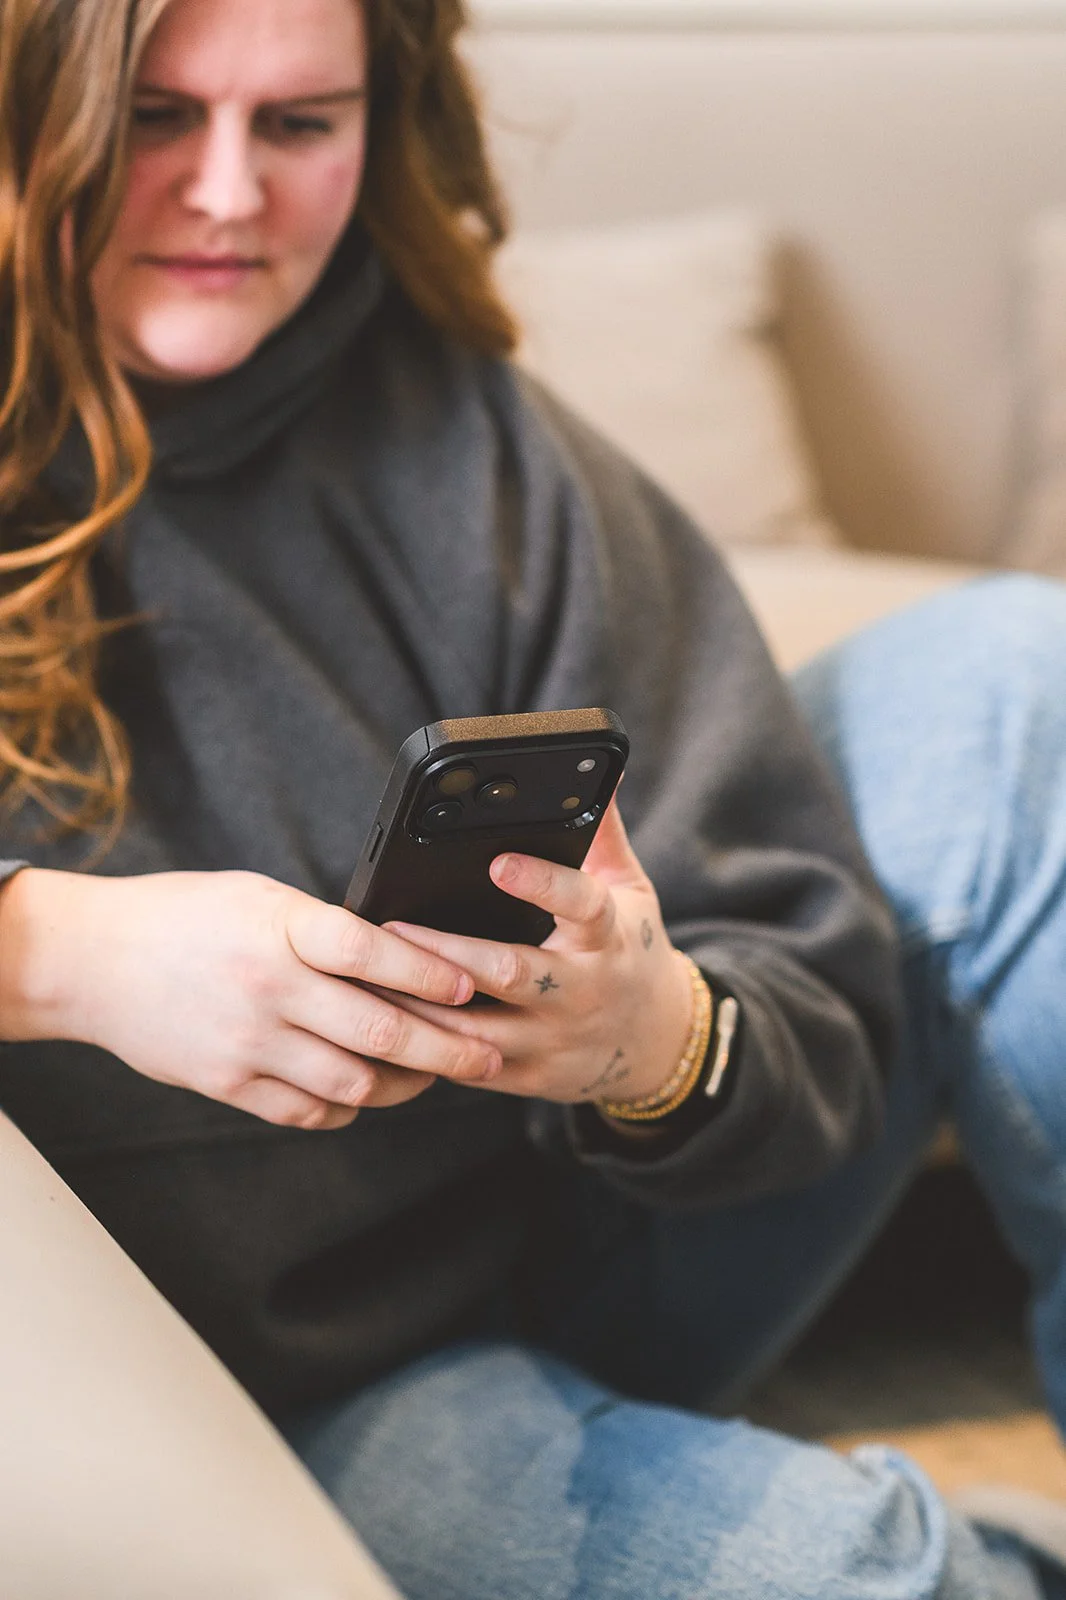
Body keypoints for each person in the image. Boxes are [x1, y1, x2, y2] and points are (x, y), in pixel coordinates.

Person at [1, 0, 1066, 1595]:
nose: (227, 192)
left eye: (298, 124)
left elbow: (794, 1009)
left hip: (553, 1252)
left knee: (1015, 673)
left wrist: (649, 1042)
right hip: (226, 1394)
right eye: (157, 115)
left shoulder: (478, 449)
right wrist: (55, 958)